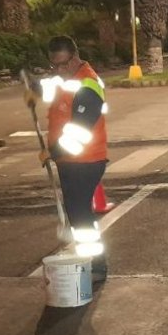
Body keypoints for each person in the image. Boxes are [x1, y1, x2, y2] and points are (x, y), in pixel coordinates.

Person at [29, 36, 110, 282]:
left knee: (80, 214)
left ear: (75, 58)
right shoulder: (65, 78)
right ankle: (90, 261)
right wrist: (34, 92)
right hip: (69, 161)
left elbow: (79, 131)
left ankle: (96, 265)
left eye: (63, 64)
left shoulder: (88, 85)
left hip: (86, 160)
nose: (59, 70)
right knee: (77, 212)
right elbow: (52, 91)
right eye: (54, 65)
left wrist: (53, 152)